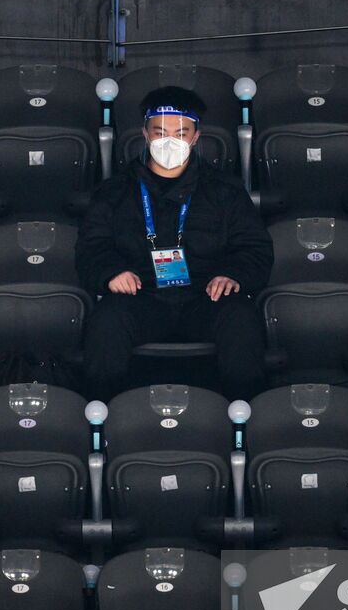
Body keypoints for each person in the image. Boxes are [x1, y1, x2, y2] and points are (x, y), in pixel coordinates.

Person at [75, 86, 273, 401]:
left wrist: (233, 274)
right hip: (143, 296)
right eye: (160, 132)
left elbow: (255, 248)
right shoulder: (115, 191)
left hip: (204, 296)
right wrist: (111, 272)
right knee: (107, 321)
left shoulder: (225, 190)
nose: (170, 141)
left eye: (181, 133)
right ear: (144, 133)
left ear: (196, 137)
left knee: (241, 318)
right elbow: (91, 247)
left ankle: (244, 425)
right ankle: (103, 425)